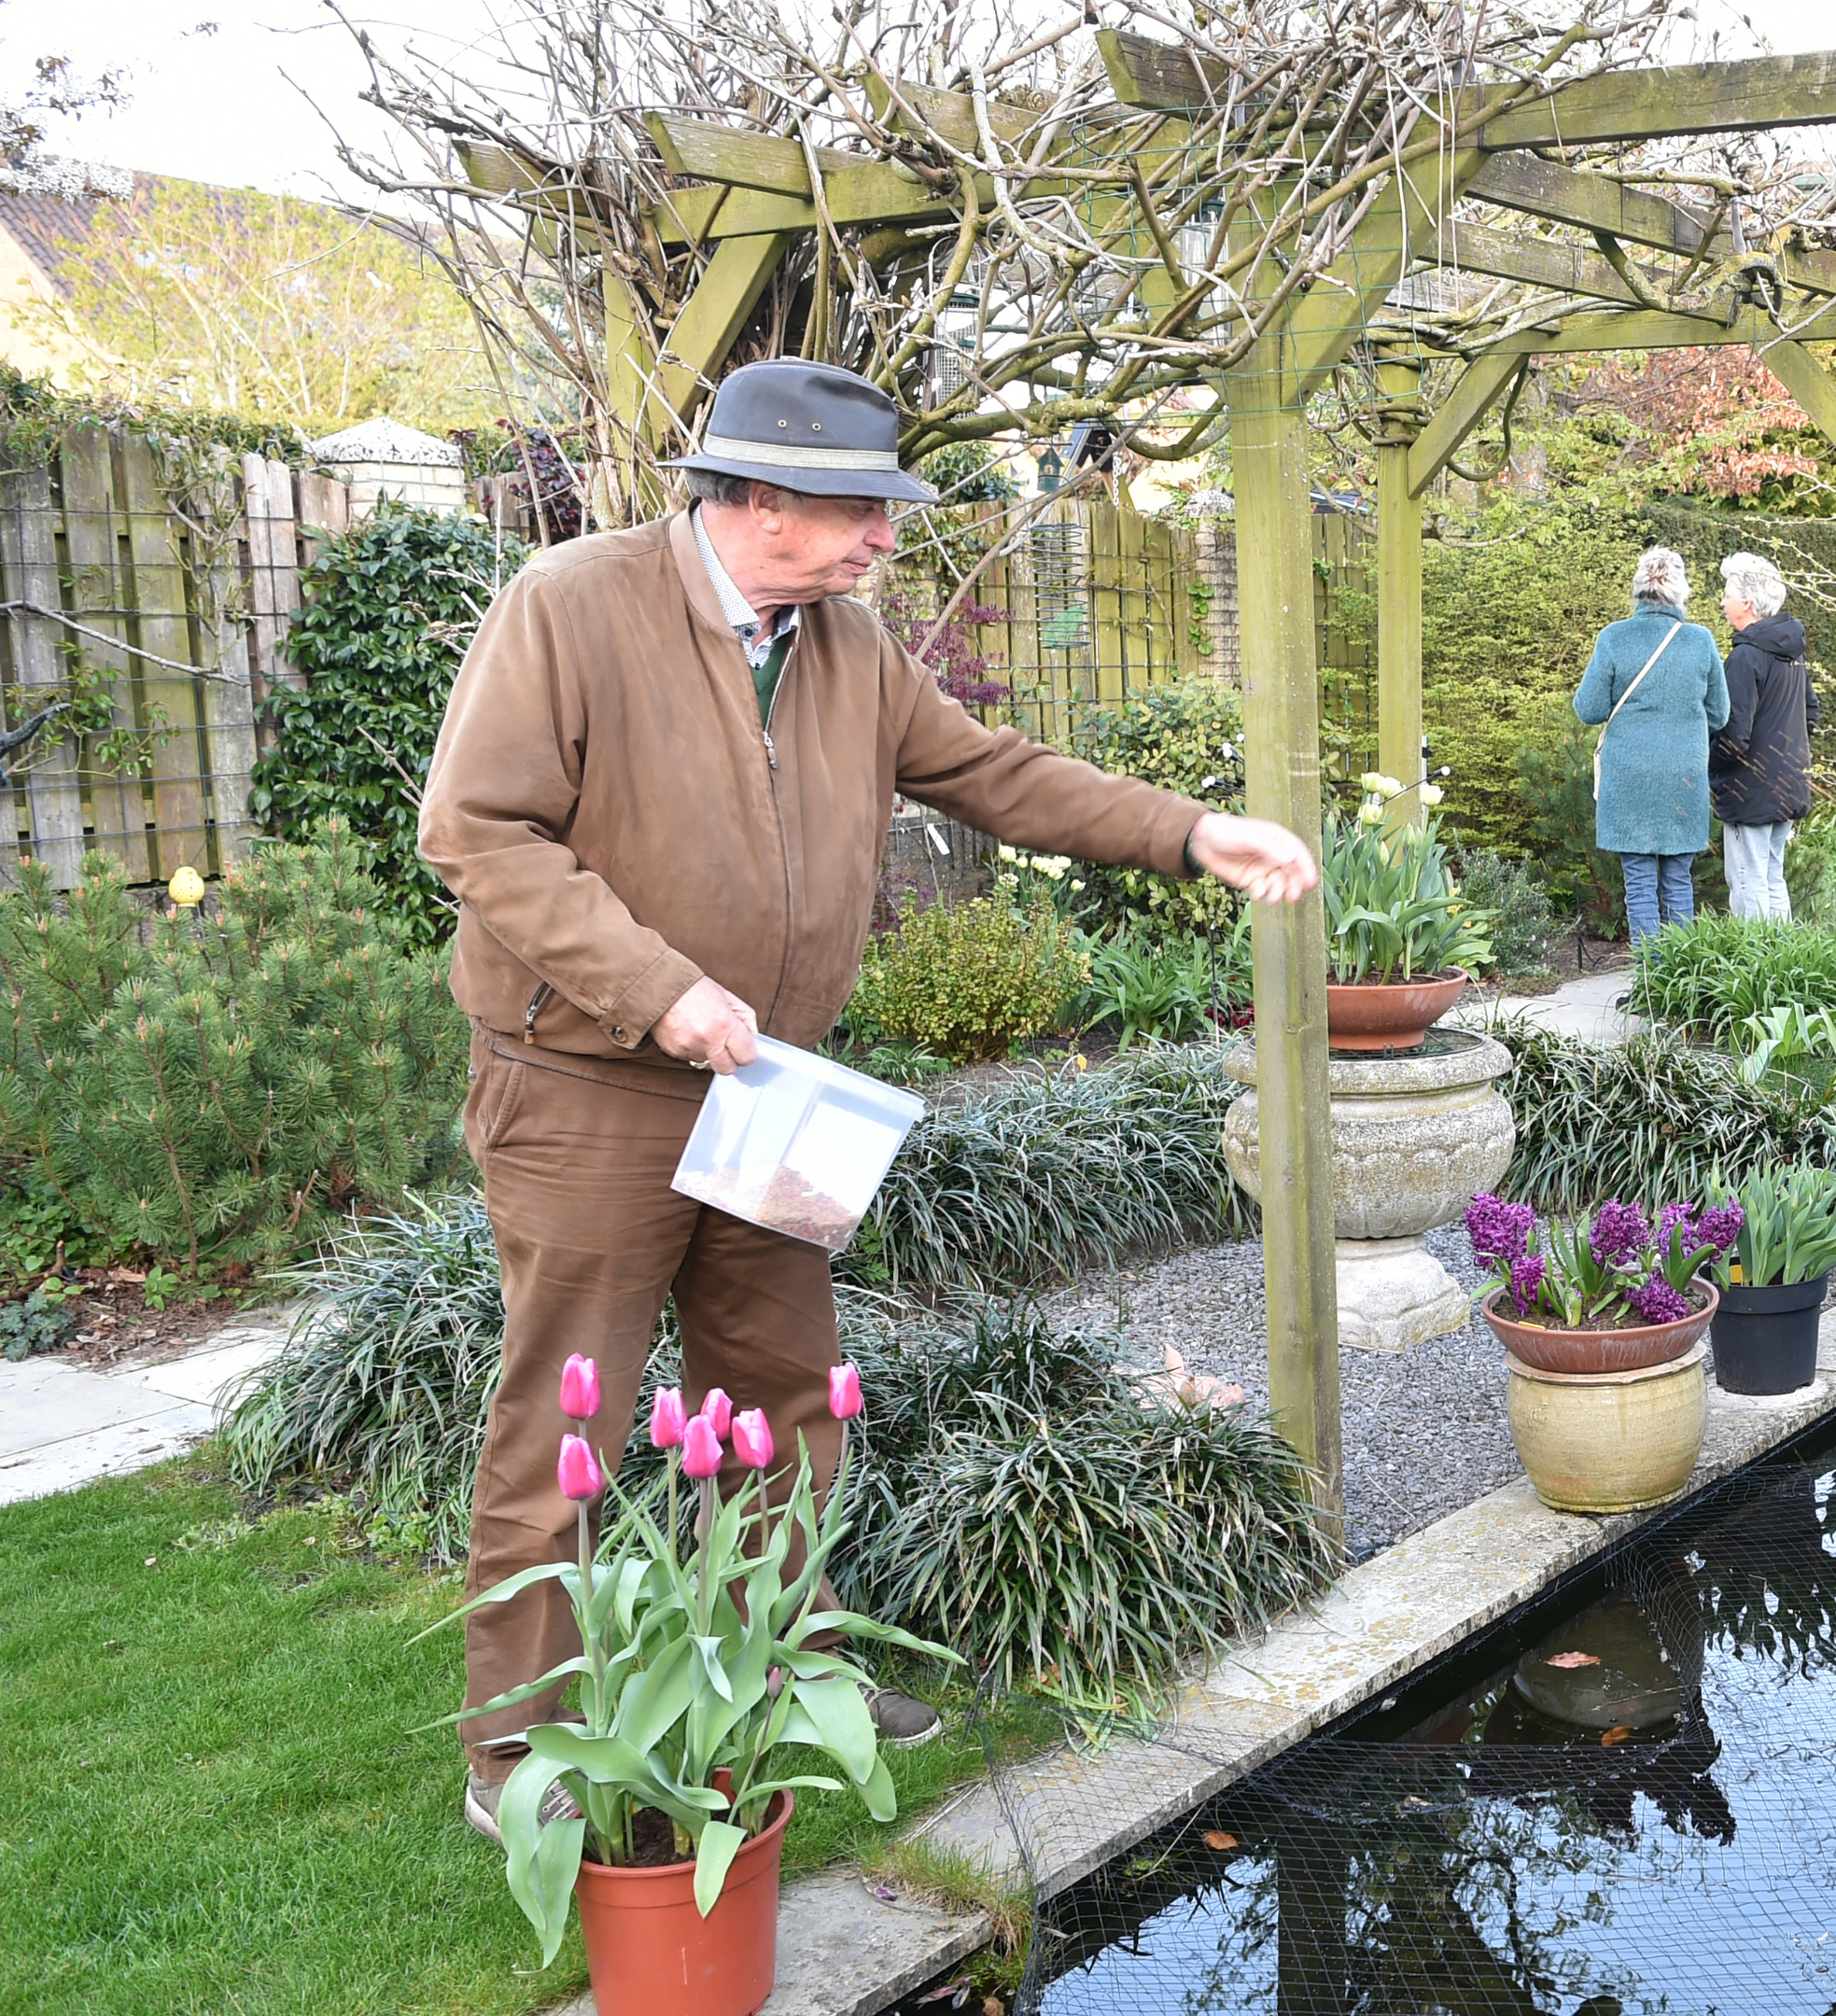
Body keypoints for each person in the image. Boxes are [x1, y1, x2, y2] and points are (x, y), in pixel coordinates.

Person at [418, 358, 1319, 1839]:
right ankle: (523, 1754)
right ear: (759, 500)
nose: (886, 542)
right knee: (563, 1423)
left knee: (780, 1392)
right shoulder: (572, 604)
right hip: (587, 1086)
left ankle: (783, 1667)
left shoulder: (840, 642)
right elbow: (482, 833)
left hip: (772, 1088)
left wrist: (1187, 832)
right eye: (861, 513)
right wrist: (660, 988)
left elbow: (995, 774)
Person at [1575, 545, 1731, 940]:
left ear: (1638, 590)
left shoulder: (1613, 638)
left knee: (1639, 883)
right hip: (1684, 777)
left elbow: (1589, 709)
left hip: (1629, 776)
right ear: (1681, 593)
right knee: (1679, 880)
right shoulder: (1700, 641)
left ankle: (1646, 980)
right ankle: (1679, 983)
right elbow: (1720, 714)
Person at [1709, 552, 1814, 922]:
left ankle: (1756, 968)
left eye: (1727, 594)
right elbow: (1810, 714)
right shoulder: (1793, 654)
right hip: (1789, 781)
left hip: (1749, 789)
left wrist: (1712, 769)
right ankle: (1781, 966)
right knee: (1772, 876)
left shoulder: (1746, 657)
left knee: (1746, 879)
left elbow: (1733, 733)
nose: (1722, 601)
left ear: (1747, 603)